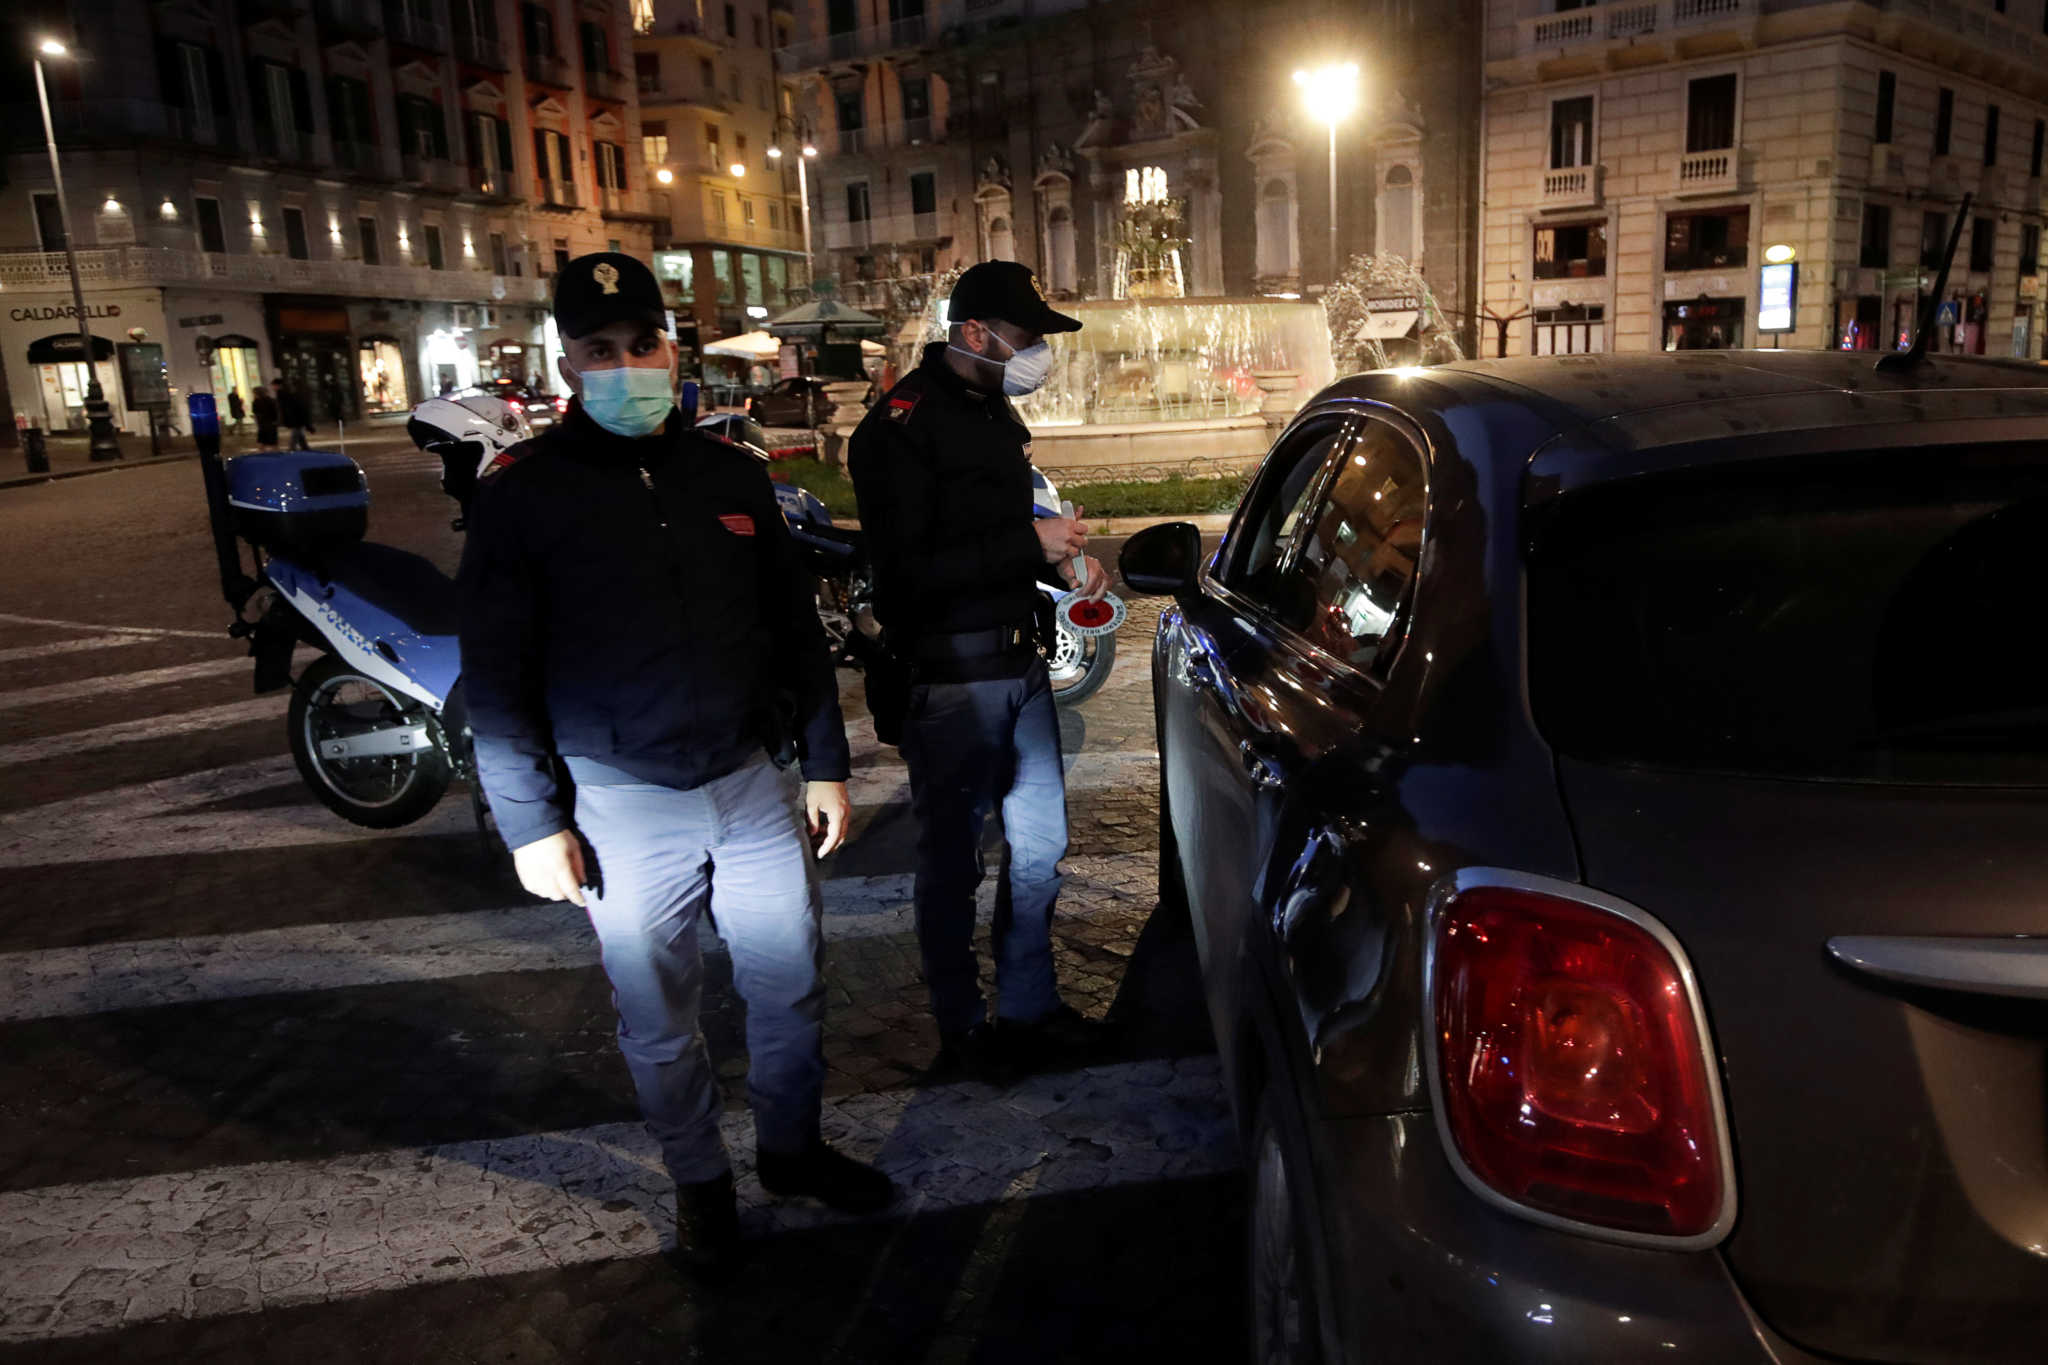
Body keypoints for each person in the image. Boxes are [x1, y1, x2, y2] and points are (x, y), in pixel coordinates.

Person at [458, 252, 893, 1282]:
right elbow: (497, 672)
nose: (624, 367)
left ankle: (789, 1152)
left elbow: (794, 634)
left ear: (670, 346)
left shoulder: (732, 475)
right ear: (566, 360)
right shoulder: (521, 495)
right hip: (617, 802)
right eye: (598, 351)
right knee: (659, 1018)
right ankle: (700, 1185)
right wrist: (529, 822)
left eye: (640, 344)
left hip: (749, 782)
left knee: (790, 989)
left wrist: (825, 764)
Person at [847, 261, 1109, 1081]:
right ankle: (962, 1027)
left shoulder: (991, 410)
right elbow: (907, 573)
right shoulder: (895, 430)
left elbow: (1000, 524)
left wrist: (1061, 562)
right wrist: (1027, 547)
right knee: (954, 861)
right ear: (974, 334)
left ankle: (1029, 1006)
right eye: (1027, 339)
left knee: (1041, 849)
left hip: (1019, 659)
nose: (1036, 355)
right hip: (951, 672)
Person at [275, 378, 312, 450]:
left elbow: (299, 408)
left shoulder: (294, 395)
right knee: (299, 433)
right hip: (296, 418)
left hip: (297, 418)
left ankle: (292, 448)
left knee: (296, 433)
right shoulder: (293, 395)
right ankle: (304, 447)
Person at [250, 382, 280, 450]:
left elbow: (255, 412)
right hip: (271, 423)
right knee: (273, 442)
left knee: (262, 442)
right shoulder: (271, 400)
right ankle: (276, 456)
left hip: (263, 424)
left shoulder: (256, 402)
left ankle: (262, 456)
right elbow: (275, 411)